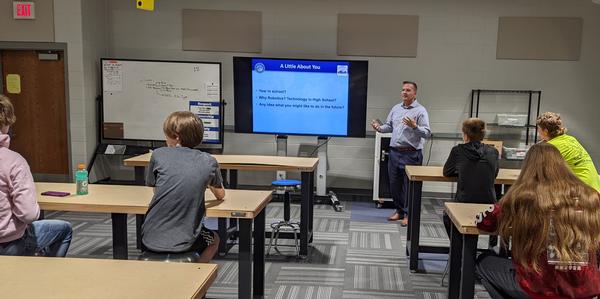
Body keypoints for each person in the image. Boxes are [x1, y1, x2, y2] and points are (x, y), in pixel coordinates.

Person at [475, 142, 600, 299]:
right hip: (585, 289)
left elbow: (486, 222)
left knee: (483, 261)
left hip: (540, 288)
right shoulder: (590, 195)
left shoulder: (523, 196)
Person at [141, 111, 225, 263]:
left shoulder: (158, 154)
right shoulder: (209, 161)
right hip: (185, 239)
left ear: (176, 136)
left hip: (149, 235)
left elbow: (155, 188)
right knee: (215, 240)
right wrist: (206, 180)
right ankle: (197, 276)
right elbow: (220, 195)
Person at [0, 94, 72, 257]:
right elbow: (29, 214)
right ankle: (39, 279)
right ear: (6, 124)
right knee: (64, 230)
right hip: (8, 243)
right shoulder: (14, 162)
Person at [372, 81, 431, 226]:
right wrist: (379, 128)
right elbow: (389, 126)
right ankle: (399, 211)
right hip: (395, 153)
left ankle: (409, 215)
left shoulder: (420, 111)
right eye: (403, 90)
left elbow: (427, 133)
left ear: (415, 93)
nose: (404, 92)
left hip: (411, 154)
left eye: (408, 90)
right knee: (394, 185)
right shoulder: (396, 108)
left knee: (409, 187)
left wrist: (415, 126)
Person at [442, 118, 498, 237]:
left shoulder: (458, 150)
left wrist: (462, 172)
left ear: (465, 135)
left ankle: (457, 251)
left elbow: (447, 172)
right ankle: (492, 246)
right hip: (489, 204)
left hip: (464, 201)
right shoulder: (493, 151)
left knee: (448, 216)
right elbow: (494, 174)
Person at [536, 112, 600, 192]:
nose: (538, 132)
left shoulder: (550, 147)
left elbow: (543, 174)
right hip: (595, 188)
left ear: (545, 131)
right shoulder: (571, 139)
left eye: (538, 129)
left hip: (582, 193)